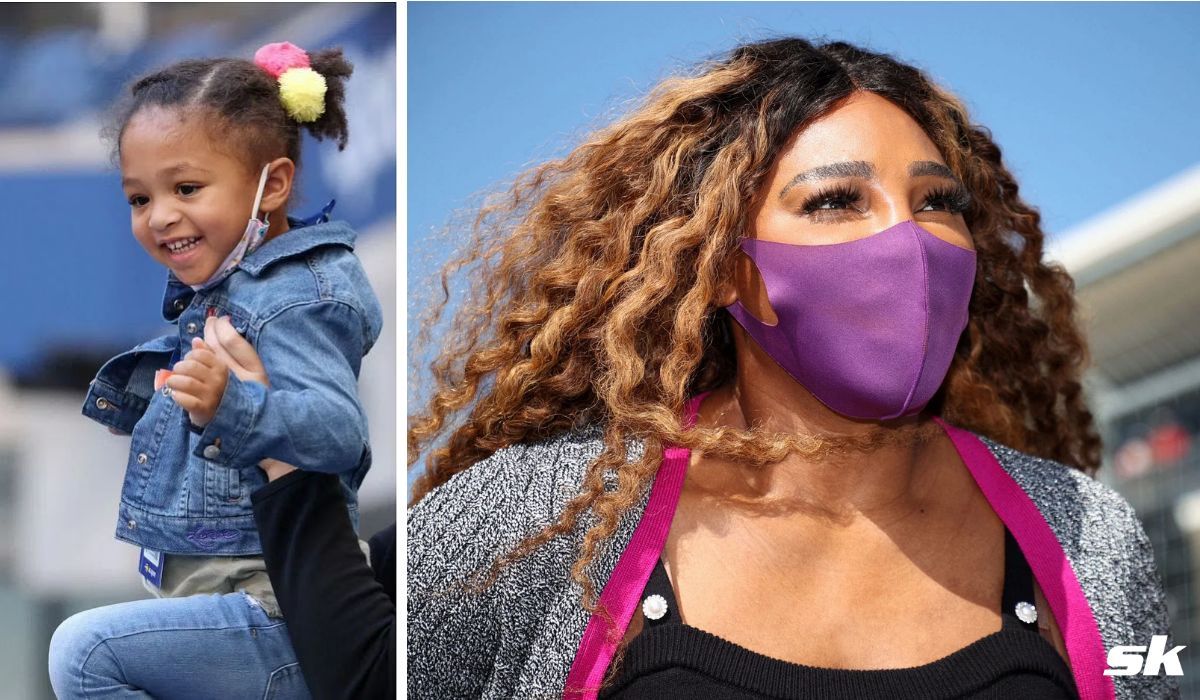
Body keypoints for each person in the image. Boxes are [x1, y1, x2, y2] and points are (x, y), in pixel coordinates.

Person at [407, 37, 1177, 700]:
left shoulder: (1088, 532)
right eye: (837, 200)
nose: (907, 241)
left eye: (939, 202)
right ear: (720, 269)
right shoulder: (542, 518)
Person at [49, 41, 382, 697]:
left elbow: (337, 432)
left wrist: (235, 405)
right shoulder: (225, 298)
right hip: (225, 605)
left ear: (274, 185)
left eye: (187, 188)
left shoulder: (297, 297)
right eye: (138, 199)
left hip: (275, 615)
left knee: (83, 654)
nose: (160, 216)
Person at [48, 318, 395, 699]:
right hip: (322, 597)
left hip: (297, 618)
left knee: (85, 655)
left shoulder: (306, 297)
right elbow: (388, 564)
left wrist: (269, 436)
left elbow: (377, 678)